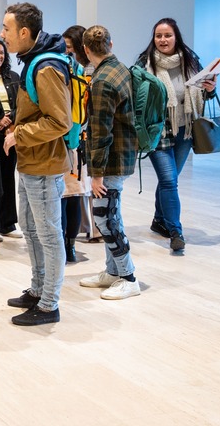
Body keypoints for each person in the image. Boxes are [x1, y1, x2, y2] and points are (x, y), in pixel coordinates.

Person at [1, 2, 72, 327]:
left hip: (44, 164)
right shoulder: (32, 62)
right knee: (30, 229)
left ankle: (49, 304)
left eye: (6, 29)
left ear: (25, 32)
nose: (3, 35)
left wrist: (20, 134)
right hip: (31, 162)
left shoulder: (45, 67)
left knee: (48, 233)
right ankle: (38, 289)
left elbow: (61, 121)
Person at [136, 17, 217, 253]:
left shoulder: (191, 62)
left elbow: (204, 93)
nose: (163, 40)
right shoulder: (145, 64)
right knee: (169, 180)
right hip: (157, 130)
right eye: (158, 36)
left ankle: (159, 220)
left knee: (168, 180)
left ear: (176, 37)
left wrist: (211, 89)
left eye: (167, 35)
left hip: (185, 130)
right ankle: (175, 231)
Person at [77, 25, 141, 300]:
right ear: (111, 44)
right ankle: (113, 271)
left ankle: (128, 277)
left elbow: (101, 131)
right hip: (123, 152)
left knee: (104, 218)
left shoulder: (102, 80)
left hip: (111, 159)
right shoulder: (120, 69)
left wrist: (96, 174)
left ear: (87, 50)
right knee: (111, 215)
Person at [60, 25, 93, 262]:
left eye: (69, 47)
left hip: (62, 143)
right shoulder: (84, 71)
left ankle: (64, 246)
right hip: (78, 143)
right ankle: (69, 247)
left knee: (62, 198)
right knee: (72, 197)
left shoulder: (57, 70)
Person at [0, 40, 21, 242]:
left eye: (1, 52)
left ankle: (8, 224)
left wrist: (10, 120)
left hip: (10, 131)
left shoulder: (14, 77)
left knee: (8, 177)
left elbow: (22, 103)